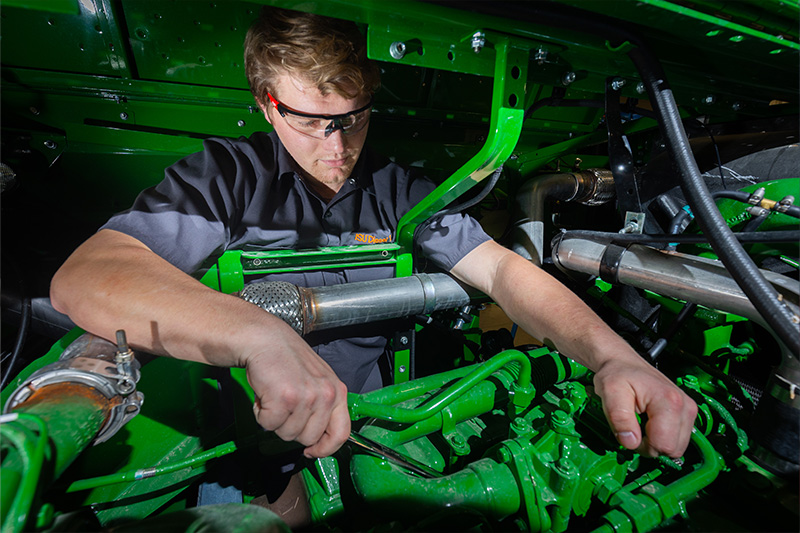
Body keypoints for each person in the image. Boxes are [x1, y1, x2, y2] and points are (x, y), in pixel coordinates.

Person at [50, 7, 696, 464]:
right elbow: (88, 273)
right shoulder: (224, 176)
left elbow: (502, 271)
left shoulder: (398, 188)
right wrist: (258, 332)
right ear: (265, 100)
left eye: (354, 117)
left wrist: (615, 358)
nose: (338, 146)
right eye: (311, 121)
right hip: (245, 443)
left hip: (379, 425)